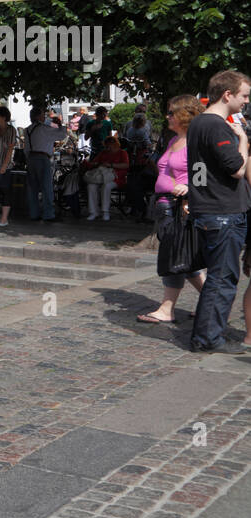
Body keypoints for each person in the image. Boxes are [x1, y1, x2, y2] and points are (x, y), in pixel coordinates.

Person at [187, 70, 251, 354]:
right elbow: (237, 169)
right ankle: (208, 338)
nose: (246, 102)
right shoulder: (216, 126)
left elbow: (203, 170)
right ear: (228, 94)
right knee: (222, 278)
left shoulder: (198, 124)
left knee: (218, 276)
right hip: (222, 212)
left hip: (208, 208)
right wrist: (243, 140)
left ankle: (207, 335)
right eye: (244, 96)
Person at [138, 95, 206, 325]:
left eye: (171, 113)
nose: (167, 116)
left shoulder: (195, 142)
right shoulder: (174, 139)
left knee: (174, 256)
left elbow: (200, 177)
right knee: (183, 259)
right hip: (165, 205)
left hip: (179, 207)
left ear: (184, 116)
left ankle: (167, 309)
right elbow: (165, 171)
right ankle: (213, 302)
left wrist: (188, 190)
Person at [25, 106, 62, 223]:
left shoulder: (27, 129)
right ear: (38, 117)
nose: (44, 117)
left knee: (32, 188)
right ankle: (48, 214)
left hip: (31, 158)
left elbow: (26, 148)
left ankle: (34, 213)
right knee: (46, 187)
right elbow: (61, 135)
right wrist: (58, 125)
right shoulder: (44, 128)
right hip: (42, 158)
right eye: (42, 115)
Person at [83, 135, 128, 221]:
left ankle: (105, 211)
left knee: (106, 186)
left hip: (116, 178)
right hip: (102, 176)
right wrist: (93, 164)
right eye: (106, 146)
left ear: (115, 144)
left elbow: (126, 165)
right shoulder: (103, 153)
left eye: (109, 146)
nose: (107, 148)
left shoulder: (122, 153)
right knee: (91, 186)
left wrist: (111, 165)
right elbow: (94, 162)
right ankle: (93, 212)